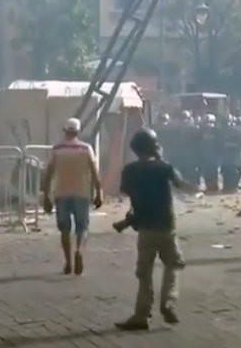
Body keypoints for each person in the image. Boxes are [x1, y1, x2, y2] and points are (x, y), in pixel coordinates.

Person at [115, 128, 198, 331]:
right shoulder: (164, 167)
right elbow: (183, 186)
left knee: (145, 273)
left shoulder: (130, 170)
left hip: (145, 228)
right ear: (155, 146)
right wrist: (161, 159)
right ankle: (168, 303)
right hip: (166, 225)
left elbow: (127, 192)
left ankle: (142, 315)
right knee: (173, 264)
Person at [41, 118, 103, 275]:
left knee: (65, 230)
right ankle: (79, 251)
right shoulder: (86, 148)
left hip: (61, 194)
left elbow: (47, 174)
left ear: (65, 131)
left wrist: (46, 195)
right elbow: (95, 174)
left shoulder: (57, 149)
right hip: (82, 194)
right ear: (78, 131)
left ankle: (68, 263)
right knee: (82, 228)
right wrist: (99, 193)